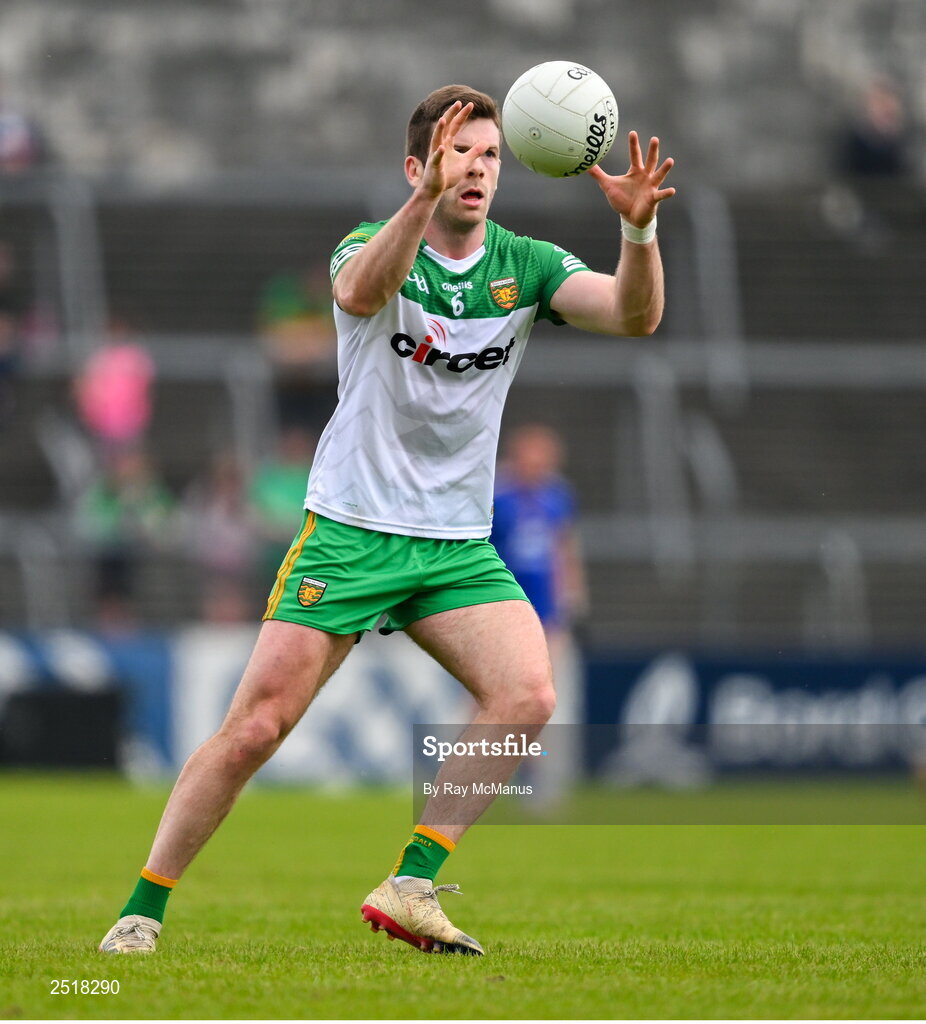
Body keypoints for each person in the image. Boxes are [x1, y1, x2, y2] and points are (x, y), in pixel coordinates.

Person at [99, 84, 674, 957]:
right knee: (257, 725)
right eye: (458, 154)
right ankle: (141, 910)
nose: (477, 170)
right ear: (418, 167)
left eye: (489, 156)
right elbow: (361, 296)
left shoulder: (528, 264)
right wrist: (419, 202)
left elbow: (637, 315)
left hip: (454, 544)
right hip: (353, 528)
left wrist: (637, 232)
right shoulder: (370, 243)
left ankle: (411, 884)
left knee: (527, 692)